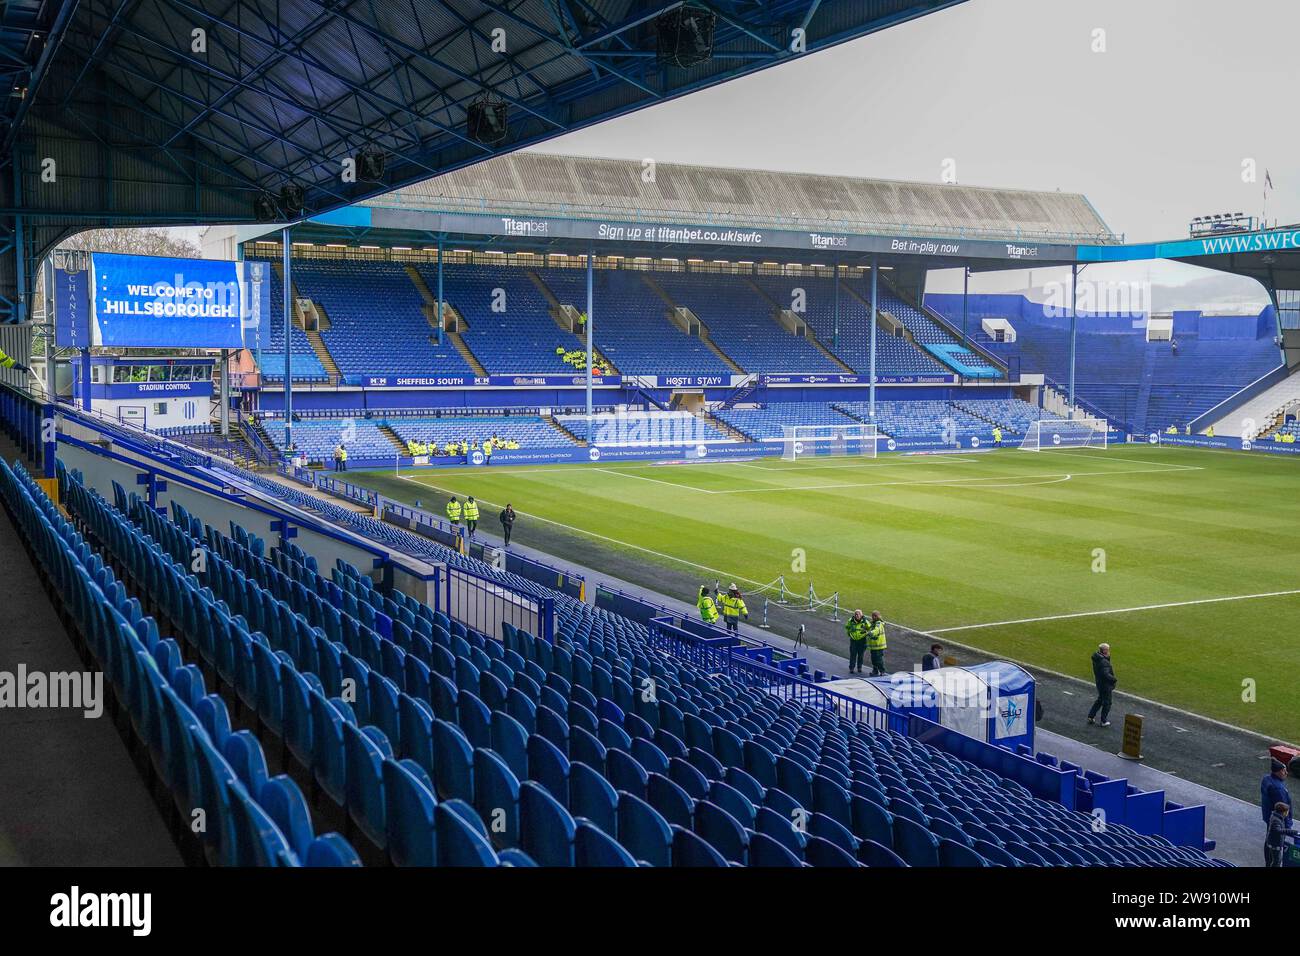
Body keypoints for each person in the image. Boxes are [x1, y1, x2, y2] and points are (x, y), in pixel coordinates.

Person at [1087, 642, 1117, 727]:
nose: (1109, 651)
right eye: (1108, 650)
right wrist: (1114, 679)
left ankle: (1091, 716)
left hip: (1099, 683)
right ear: (1104, 651)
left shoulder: (1097, 658)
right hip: (1105, 685)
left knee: (1100, 700)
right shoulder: (1103, 662)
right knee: (1107, 703)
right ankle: (1103, 721)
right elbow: (1105, 674)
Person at [1261, 759, 1293, 830]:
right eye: (1284, 771)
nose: (1286, 773)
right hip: (1279, 821)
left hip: (1269, 815)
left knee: (1270, 836)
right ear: (1278, 772)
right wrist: (1288, 825)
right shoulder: (1278, 789)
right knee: (1276, 839)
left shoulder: (1266, 778)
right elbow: (1283, 808)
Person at [1266, 800, 1298, 868]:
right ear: (1283, 812)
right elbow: (1278, 830)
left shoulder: (1277, 817)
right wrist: (1293, 831)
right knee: (1277, 861)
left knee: (1276, 860)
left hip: (1274, 843)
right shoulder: (1276, 820)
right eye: (1287, 812)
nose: (1288, 813)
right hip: (1275, 844)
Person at [845, 609, 869, 674]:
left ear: (861, 615)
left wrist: (866, 632)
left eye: (858, 614)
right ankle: (851, 668)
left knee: (861, 655)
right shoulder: (851, 621)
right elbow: (847, 627)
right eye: (855, 614)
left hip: (862, 641)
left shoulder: (865, 622)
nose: (857, 615)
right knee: (853, 655)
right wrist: (849, 633)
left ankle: (859, 667)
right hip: (853, 641)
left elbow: (870, 628)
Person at [865, 611, 887, 676]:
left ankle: (882, 671)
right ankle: (875, 671)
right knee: (874, 659)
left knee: (879, 659)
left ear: (877, 616)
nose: (873, 617)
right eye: (872, 616)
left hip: (878, 645)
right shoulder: (873, 623)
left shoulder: (878, 623)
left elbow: (876, 630)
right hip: (874, 646)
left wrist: (870, 633)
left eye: (874, 616)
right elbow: (868, 627)